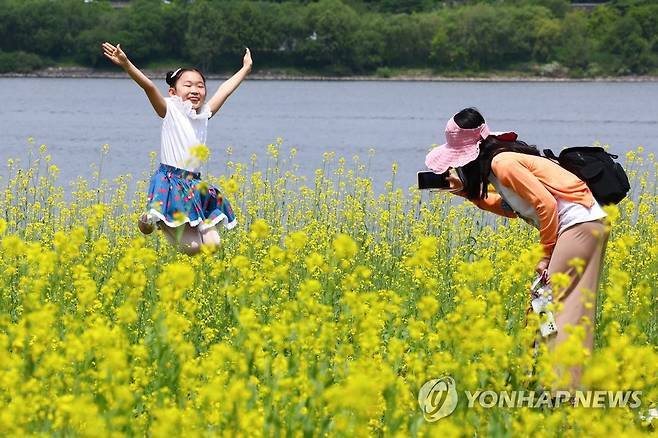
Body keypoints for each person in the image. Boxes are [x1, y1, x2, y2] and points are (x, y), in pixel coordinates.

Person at [425, 107, 609, 390]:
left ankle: (566, 393)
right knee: (547, 306)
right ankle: (546, 383)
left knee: (560, 308)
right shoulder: (500, 165)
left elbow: (546, 205)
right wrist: (469, 194)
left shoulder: (504, 163)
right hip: (583, 224)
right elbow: (514, 208)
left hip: (577, 225)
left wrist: (546, 255)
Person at [101, 42, 252, 255]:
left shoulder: (204, 114)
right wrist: (126, 64)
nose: (195, 90)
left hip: (195, 185)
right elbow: (149, 86)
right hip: (171, 182)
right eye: (188, 85)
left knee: (213, 245)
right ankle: (155, 219)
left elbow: (225, 90)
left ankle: (158, 218)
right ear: (173, 91)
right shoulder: (170, 109)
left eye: (200, 86)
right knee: (192, 248)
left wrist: (245, 69)